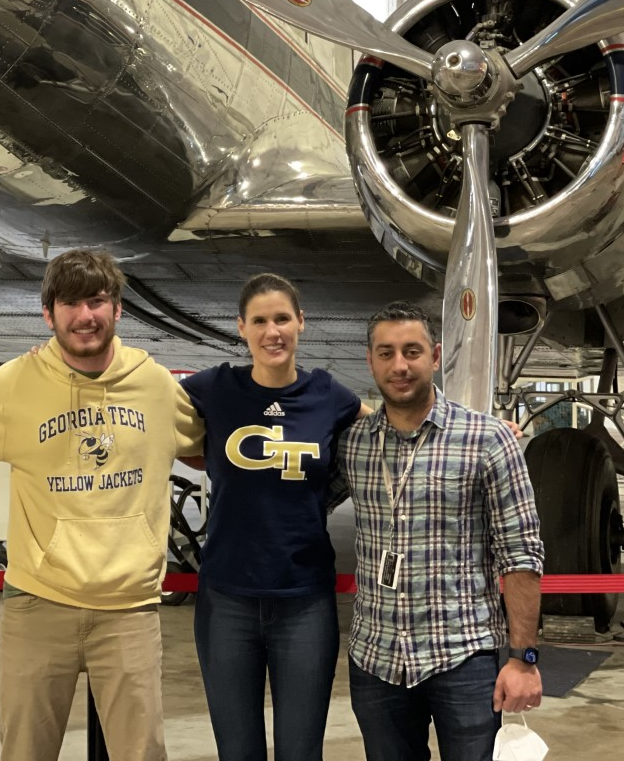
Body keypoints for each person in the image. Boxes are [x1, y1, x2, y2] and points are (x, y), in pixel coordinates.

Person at [0, 248, 204, 761]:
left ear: (118, 309)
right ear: (49, 313)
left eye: (97, 301)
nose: (85, 316)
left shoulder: (153, 385)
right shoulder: (17, 385)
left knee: (141, 753)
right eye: (70, 303)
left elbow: (219, 439)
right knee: (25, 752)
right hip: (39, 605)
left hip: (128, 611)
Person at [329, 301, 545, 761]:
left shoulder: (487, 439)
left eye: (412, 351)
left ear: (435, 356)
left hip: (462, 657)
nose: (400, 365)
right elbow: (294, 498)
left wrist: (523, 659)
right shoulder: (353, 445)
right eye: (386, 353)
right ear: (370, 361)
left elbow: (521, 555)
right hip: (377, 660)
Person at [180, 273, 364, 761]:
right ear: (241, 328)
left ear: (301, 323)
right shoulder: (216, 387)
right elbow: (140, 393)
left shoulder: (328, 395)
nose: (272, 331)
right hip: (226, 602)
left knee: (301, 752)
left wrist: (479, 426)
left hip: (304, 603)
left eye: (282, 318)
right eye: (259, 321)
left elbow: (394, 418)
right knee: (237, 751)